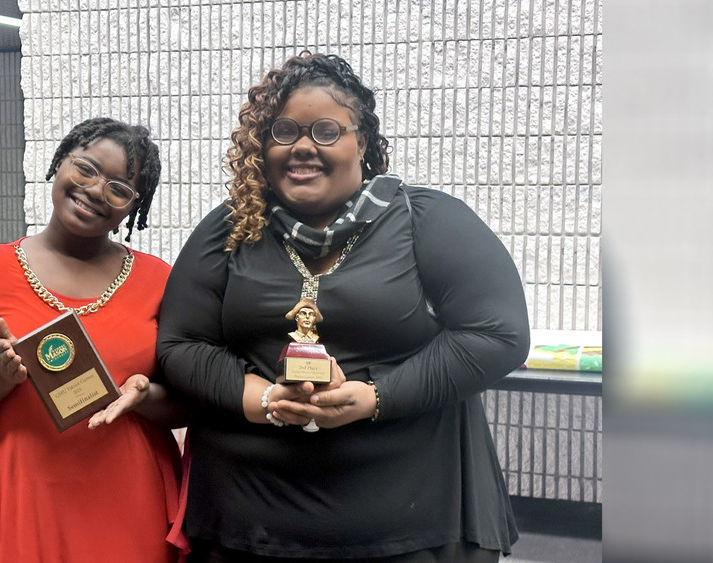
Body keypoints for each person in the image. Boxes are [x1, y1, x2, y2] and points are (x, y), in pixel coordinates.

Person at [157, 52, 530, 562]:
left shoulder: (427, 221)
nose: (303, 146)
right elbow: (179, 344)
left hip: (408, 519)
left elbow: (497, 335)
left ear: (364, 143)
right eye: (284, 130)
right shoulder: (230, 230)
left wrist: (376, 396)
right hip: (247, 520)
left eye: (327, 130)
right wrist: (262, 398)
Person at [0, 117, 186, 562]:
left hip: (127, 497)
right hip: (18, 496)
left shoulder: (159, 281)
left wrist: (142, 393)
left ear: (132, 207)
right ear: (60, 163)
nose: (97, 191)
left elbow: (187, 398)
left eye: (119, 188)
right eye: (87, 168)